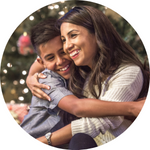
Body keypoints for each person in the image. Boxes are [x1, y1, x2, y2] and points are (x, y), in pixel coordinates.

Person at [26, 6, 149, 148]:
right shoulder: (80, 71)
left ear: (97, 34)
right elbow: (43, 59)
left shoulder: (129, 72)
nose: (67, 46)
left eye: (73, 35)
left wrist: (41, 142)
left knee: (79, 140)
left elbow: (96, 122)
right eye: (64, 39)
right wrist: (30, 76)